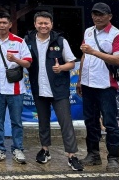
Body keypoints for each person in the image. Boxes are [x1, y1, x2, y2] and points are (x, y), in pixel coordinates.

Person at [25, 11, 83, 171]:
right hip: (39, 88)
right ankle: (45, 150)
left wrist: (61, 67)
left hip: (59, 90)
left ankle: (72, 155)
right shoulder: (28, 40)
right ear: (35, 24)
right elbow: (24, 60)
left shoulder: (60, 41)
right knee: (43, 121)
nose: (43, 26)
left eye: (46, 23)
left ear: (51, 24)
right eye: (40, 23)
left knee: (65, 123)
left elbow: (72, 62)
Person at [76, 2, 119, 171]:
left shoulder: (117, 35)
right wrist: (79, 79)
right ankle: (93, 154)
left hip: (106, 85)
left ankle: (114, 157)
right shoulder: (88, 31)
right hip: (88, 83)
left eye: (101, 14)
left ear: (109, 16)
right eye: (95, 14)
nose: (97, 17)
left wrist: (94, 52)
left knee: (110, 122)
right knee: (90, 121)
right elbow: (84, 56)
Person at [0, 11, 31, 164]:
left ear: (10, 25)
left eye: (5, 23)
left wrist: (15, 59)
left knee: (16, 121)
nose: (2, 25)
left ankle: (18, 149)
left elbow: (28, 63)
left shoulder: (19, 42)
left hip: (16, 89)